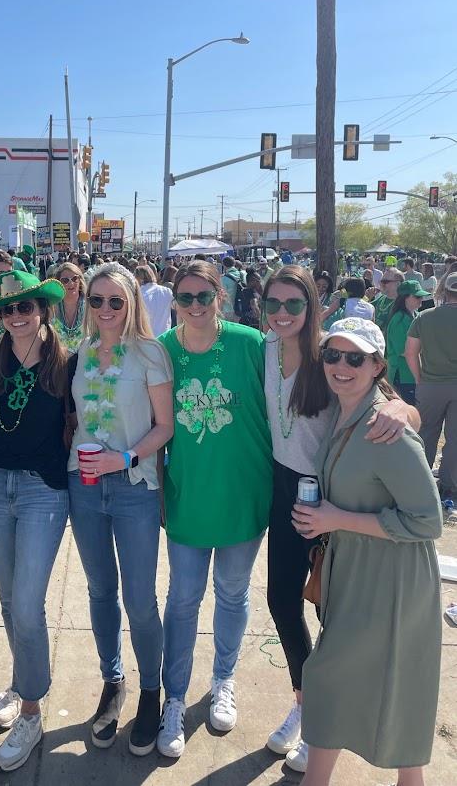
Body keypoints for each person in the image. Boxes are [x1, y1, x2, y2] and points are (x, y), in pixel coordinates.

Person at [260, 268, 418, 773]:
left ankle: (325, 726)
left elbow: (393, 400)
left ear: (312, 306)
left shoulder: (332, 353)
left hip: (331, 493)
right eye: (274, 304)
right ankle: (307, 707)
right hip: (284, 490)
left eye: (293, 304)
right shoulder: (261, 349)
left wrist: (402, 413)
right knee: (282, 601)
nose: (282, 314)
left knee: (333, 612)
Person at [294, 318, 442, 786]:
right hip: (356, 565)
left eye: (355, 358)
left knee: (331, 675)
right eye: (333, 355)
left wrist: (335, 519)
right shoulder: (344, 411)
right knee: (386, 680)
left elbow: (428, 520)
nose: (341, 365)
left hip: (393, 576)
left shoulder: (387, 429)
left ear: (378, 365)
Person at [156, 260, 272, 760]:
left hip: (245, 495)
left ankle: (223, 679)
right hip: (188, 496)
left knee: (232, 591)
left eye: (205, 296)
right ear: (175, 301)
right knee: (182, 598)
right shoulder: (162, 351)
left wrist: (398, 405)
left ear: (220, 297)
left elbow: (317, 378)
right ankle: (174, 698)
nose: (196, 306)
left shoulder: (253, 345)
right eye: (187, 298)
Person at [67, 262, 173, 756]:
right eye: (97, 300)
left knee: (139, 598)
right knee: (99, 591)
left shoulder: (149, 352)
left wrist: (125, 456)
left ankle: (151, 691)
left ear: (131, 304)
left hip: (134, 487)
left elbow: (164, 427)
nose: (106, 309)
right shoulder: (83, 351)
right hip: (85, 487)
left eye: (116, 301)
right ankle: (113, 682)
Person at [0, 271, 70, 771]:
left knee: (30, 603)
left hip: (43, 490)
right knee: (10, 598)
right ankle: (21, 682)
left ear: (42, 311)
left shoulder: (65, 363)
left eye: (26, 308)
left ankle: (31, 713)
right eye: (8, 310)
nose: (16, 317)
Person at [405, 271, 457, 502]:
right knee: (455, 439)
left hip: (430, 384)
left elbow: (410, 352)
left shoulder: (424, 317)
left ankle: (420, 483)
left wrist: (419, 379)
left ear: (444, 291)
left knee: (425, 435)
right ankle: (450, 487)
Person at [386, 281, 430, 406]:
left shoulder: (416, 315)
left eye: (421, 296)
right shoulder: (399, 319)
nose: (421, 299)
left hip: (412, 375)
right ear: (405, 297)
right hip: (403, 375)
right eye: (417, 296)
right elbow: (405, 351)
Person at [50, 260, 86, 353]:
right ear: (59, 283)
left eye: (74, 279)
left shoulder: (91, 306)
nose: (71, 283)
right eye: (65, 280)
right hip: (58, 361)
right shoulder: (51, 308)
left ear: (80, 281)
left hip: (85, 360)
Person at [135, 265, 174, 337]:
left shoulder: (139, 296)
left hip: (147, 338)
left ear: (138, 279)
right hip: (165, 335)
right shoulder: (167, 291)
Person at [370, 268, 404, 332]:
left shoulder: (402, 304)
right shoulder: (382, 298)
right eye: (381, 281)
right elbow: (364, 310)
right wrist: (367, 297)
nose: (381, 284)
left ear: (398, 284)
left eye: (385, 282)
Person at [220, 257, 244, 321]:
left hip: (227, 309)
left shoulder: (224, 279)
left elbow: (223, 296)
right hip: (241, 308)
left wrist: (219, 309)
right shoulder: (242, 274)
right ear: (234, 264)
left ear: (224, 265)